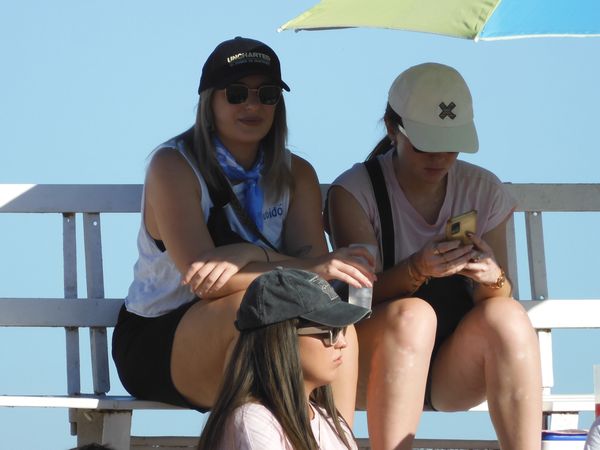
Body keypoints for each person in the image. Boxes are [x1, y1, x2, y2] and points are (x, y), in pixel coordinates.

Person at [111, 37, 375, 423]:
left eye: (267, 95)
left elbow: (310, 279)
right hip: (162, 334)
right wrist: (277, 259)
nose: (252, 106)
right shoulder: (174, 166)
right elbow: (206, 282)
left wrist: (250, 255)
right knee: (253, 315)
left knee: (335, 322)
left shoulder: (296, 172)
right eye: (236, 94)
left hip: (266, 324)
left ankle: (340, 439)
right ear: (209, 102)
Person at [326, 62, 542, 450]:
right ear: (393, 129)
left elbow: (499, 300)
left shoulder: (483, 189)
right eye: (425, 144)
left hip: (452, 366)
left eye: (451, 144)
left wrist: (491, 277)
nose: (440, 158)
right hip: (369, 361)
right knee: (414, 315)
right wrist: (415, 270)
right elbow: (355, 301)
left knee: (509, 315)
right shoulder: (356, 191)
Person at [198, 268, 370, 450]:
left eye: (342, 330)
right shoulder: (253, 421)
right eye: (330, 332)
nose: (342, 343)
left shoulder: (332, 422)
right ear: (282, 339)